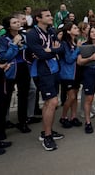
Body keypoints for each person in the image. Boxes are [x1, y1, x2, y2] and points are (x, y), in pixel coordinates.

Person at [26, 9, 65, 151]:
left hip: (54, 69)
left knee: (51, 103)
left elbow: (62, 49)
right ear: (38, 18)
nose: (51, 17)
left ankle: (47, 131)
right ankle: (47, 136)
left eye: (50, 15)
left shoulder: (51, 31)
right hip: (43, 71)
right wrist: (50, 51)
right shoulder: (32, 34)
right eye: (47, 15)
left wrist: (51, 50)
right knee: (52, 102)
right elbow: (41, 55)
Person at [0, 16, 32, 133]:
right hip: (9, 70)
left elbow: (29, 50)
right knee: (5, 98)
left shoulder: (24, 35)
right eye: (14, 22)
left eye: (18, 21)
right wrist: (14, 44)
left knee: (23, 96)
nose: (18, 24)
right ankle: (2, 127)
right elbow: (4, 57)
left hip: (24, 68)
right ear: (8, 26)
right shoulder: (2, 39)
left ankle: (23, 122)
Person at [58, 23, 82, 128]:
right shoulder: (64, 44)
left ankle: (73, 117)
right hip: (67, 74)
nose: (77, 29)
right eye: (75, 28)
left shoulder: (75, 41)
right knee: (71, 96)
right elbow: (68, 59)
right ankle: (63, 117)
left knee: (75, 96)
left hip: (77, 72)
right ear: (68, 31)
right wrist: (78, 49)